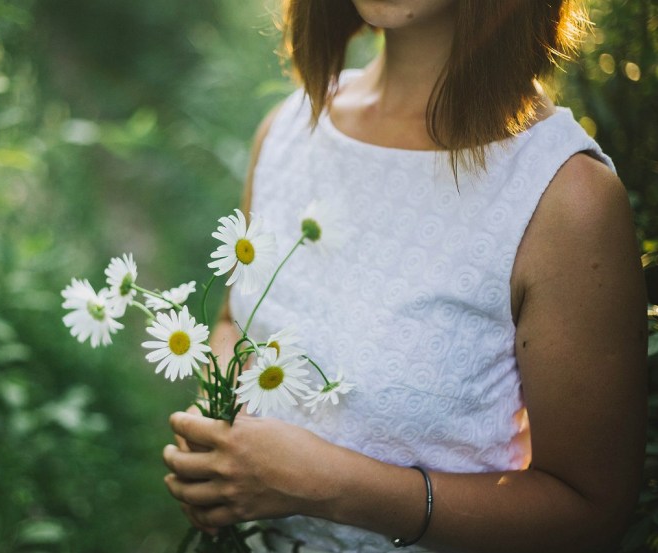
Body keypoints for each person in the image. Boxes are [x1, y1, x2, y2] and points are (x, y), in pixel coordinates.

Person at [162, 1, 648, 551]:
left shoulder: (564, 197)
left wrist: (327, 487)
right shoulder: (288, 129)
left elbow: (590, 510)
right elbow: (235, 319)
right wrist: (218, 420)